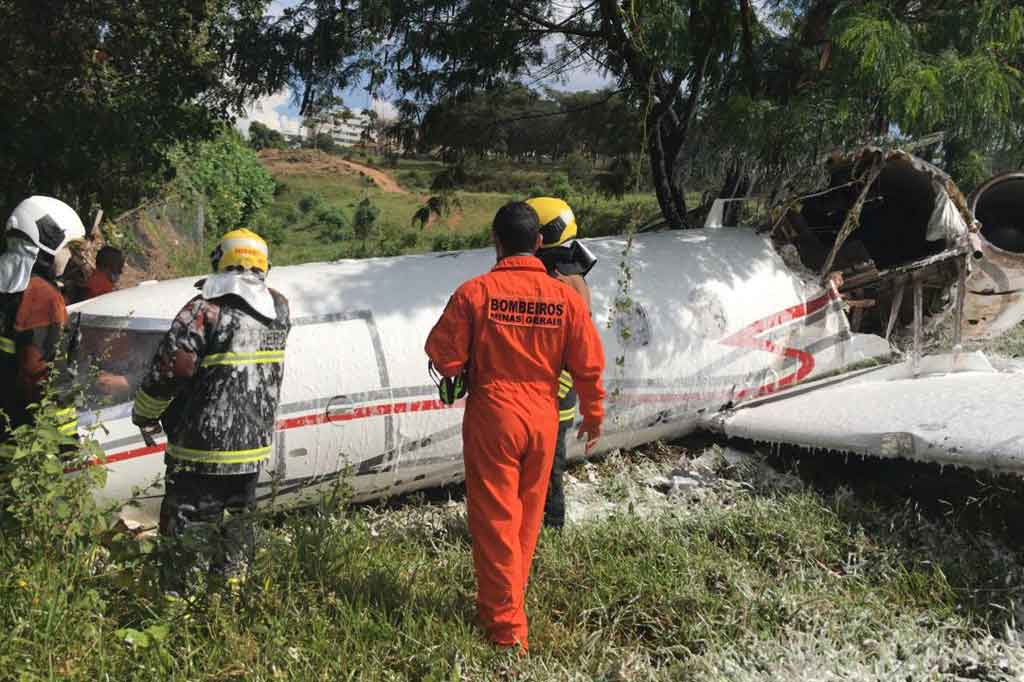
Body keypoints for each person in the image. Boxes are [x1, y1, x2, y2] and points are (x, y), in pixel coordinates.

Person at [425, 201, 605, 651]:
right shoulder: (565, 296)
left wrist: (465, 365)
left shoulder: (474, 292)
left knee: (494, 523)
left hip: (495, 417)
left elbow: (443, 358)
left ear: (495, 240)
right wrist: (594, 413)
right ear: (540, 243)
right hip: (544, 419)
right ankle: (509, 602)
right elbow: (589, 364)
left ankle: (506, 631)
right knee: (525, 520)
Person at [131, 228, 290, 596]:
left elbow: (171, 371)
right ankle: (228, 603)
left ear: (221, 262)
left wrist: (145, 413)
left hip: (199, 450)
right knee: (236, 529)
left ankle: (177, 612)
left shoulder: (203, 310)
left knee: (187, 532)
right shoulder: (279, 309)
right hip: (251, 451)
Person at [526, 197, 596, 530]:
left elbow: (576, 350)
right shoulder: (568, 275)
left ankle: (551, 527)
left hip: (553, 397)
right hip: (546, 396)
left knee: (549, 468)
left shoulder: (563, 283)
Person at [0, 196, 86, 441]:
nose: (69, 256)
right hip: (19, 436)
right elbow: (40, 373)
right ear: (49, 241)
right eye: (68, 247)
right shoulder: (42, 295)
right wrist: (67, 439)